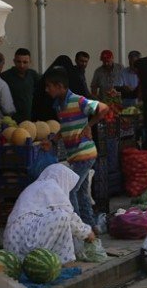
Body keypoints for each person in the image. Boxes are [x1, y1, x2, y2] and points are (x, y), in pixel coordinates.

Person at [43, 68, 109, 231]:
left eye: (49, 86)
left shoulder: (78, 101)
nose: (46, 90)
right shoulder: (59, 105)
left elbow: (104, 108)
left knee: (71, 188)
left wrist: (89, 126)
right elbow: (65, 128)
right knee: (81, 192)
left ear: (59, 86)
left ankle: (77, 228)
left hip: (84, 154)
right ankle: (91, 226)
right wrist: (52, 140)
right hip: (75, 156)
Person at [3, 163, 95, 264]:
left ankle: (49, 261)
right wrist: (87, 232)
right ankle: (63, 261)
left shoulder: (36, 186)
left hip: (13, 243)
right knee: (62, 216)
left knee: (62, 220)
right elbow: (69, 216)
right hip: (26, 238)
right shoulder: (51, 187)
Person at [0, 48, 39, 123]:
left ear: (30, 62)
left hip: (30, 121)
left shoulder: (33, 75)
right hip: (11, 122)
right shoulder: (5, 77)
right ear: (14, 61)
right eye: (19, 62)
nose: (21, 65)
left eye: (25, 62)